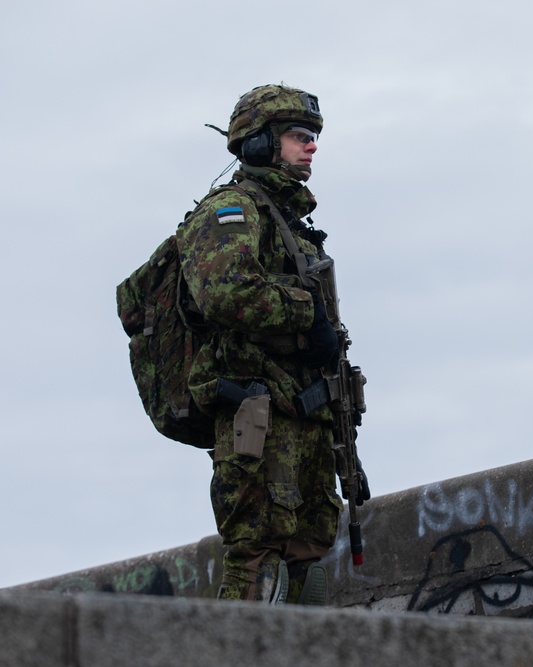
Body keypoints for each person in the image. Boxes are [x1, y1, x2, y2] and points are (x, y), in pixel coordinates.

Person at [176, 84, 358, 604]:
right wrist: (307, 315)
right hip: (258, 411)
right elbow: (222, 290)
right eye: (299, 136)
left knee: (309, 548)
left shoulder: (293, 226)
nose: (312, 147)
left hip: (305, 412)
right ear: (260, 144)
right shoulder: (232, 209)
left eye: (312, 137)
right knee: (257, 554)